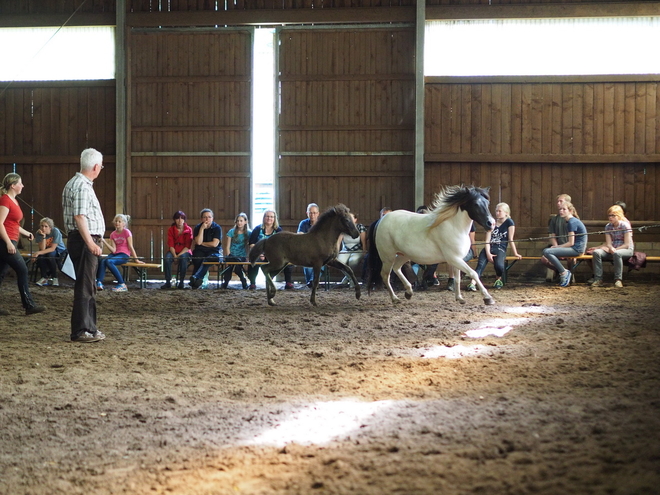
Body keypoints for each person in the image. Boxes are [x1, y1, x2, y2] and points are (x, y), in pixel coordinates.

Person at [62, 148, 105, 342]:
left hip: (82, 240)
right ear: (96, 167)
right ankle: (81, 330)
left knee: (88, 285)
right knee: (85, 286)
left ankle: (90, 327)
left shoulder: (76, 184)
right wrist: (90, 243)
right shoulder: (81, 186)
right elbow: (79, 217)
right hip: (84, 241)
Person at [0, 173, 45, 316]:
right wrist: (8, 243)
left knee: (0, 274)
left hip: (11, 239)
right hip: (6, 241)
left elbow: (13, 223)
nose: (23, 186)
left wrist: (26, 233)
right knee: (23, 270)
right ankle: (28, 305)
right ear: (13, 185)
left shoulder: (13, 201)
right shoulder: (5, 200)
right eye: (20, 183)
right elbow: (0, 223)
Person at [469, 202, 521, 290]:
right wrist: (488, 253)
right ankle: (472, 283)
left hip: (500, 248)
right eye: (496, 211)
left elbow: (510, 239)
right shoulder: (492, 222)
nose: (497, 213)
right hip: (489, 247)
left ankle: (498, 279)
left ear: (506, 213)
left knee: (499, 266)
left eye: (500, 211)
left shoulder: (509, 222)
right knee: (480, 265)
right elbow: (487, 240)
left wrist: (516, 253)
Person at [542, 201, 588, 288]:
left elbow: (571, 242)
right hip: (575, 248)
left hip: (577, 249)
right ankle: (563, 272)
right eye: (560, 209)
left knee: (547, 251)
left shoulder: (572, 222)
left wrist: (557, 247)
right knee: (548, 251)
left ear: (570, 211)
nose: (561, 211)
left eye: (564, 209)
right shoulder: (570, 221)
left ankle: (564, 272)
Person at [96, 214, 143, 292]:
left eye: (119, 221)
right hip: (115, 254)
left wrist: (136, 259)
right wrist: (104, 241)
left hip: (124, 254)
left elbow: (131, 246)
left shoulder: (127, 232)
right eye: (116, 221)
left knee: (109, 261)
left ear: (124, 223)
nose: (117, 223)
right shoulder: (112, 234)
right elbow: (113, 250)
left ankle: (122, 284)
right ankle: (99, 282)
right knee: (103, 260)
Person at [248, 209, 293, 290]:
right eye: (267, 216)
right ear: (264, 217)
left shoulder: (278, 230)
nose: (269, 218)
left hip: (275, 255)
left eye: (271, 217)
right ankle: (252, 283)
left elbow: (283, 245)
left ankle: (288, 282)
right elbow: (252, 244)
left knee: (287, 261)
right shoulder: (257, 229)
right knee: (254, 260)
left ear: (274, 218)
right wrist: (260, 254)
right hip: (260, 254)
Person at [590, 204, 633, 288]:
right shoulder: (608, 226)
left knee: (617, 254)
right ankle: (598, 279)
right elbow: (608, 242)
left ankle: (618, 280)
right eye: (609, 215)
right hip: (612, 248)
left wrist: (615, 249)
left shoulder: (625, 226)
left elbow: (627, 244)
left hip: (625, 249)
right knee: (596, 252)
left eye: (613, 215)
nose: (610, 217)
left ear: (619, 216)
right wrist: (610, 248)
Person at [542, 193, 577, 280]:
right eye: (557, 201)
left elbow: (575, 238)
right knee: (544, 259)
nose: (558, 203)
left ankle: (570, 275)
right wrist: (556, 249)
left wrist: (564, 250)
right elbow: (552, 236)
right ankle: (561, 271)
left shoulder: (573, 219)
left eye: (560, 201)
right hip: (558, 246)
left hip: (571, 247)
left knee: (571, 259)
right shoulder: (554, 219)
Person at [189, 208, 222, 289]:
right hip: (200, 250)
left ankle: (196, 278)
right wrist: (202, 229)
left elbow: (214, 244)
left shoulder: (217, 228)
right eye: (205, 217)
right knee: (197, 258)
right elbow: (198, 242)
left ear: (212, 218)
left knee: (209, 259)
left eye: (209, 217)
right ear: (201, 219)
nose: (207, 219)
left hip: (214, 251)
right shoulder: (198, 227)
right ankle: (196, 281)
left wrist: (202, 243)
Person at [161, 210, 193, 290]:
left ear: (184, 219)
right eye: (177, 218)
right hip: (173, 250)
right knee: (167, 259)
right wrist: (175, 255)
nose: (180, 220)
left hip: (185, 251)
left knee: (183, 258)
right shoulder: (171, 229)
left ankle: (181, 282)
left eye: (182, 218)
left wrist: (178, 256)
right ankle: (168, 282)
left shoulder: (188, 229)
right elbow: (171, 244)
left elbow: (188, 246)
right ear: (174, 220)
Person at [32, 217, 67, 287]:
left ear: (50, 227)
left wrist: (37, 253)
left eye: (46, 226)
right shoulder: (39, 233)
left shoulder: (55, 231)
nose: (43, 228)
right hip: (47, 250)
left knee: (50, 254)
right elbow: (42, 248)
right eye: (42, 226)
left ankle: (55, 277)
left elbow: (53, 248)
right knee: (41, 256)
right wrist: (44, 236)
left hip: (59, 251)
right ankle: (44, 278)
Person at [336, 212, 367, 287]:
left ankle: (347, 278)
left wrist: (364, 251)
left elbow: (364, 241)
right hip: (345, 251)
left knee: (352, 261)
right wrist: (336, 252)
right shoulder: (343, 228)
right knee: (339, 262)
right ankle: (351, 279)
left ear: (355, 219)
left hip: (357, 250)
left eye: (351, 218)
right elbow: (338, 242)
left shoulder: (360, 227)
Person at [221, 212, 251, 289]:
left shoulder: (249, 233)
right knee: (229, 268)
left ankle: (243, 281)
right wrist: (228, 256)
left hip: (242, 255)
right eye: (238, 221)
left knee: (238, 268)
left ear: (245, 222)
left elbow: (250, 246)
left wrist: (248, 256)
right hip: (232, 254)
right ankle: (226, 282)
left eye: (241, 221)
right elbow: (227, 246)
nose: (239, 223)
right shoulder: (231, 232)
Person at [446, 223, 476, 291]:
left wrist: (475, 253)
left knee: (457, 260)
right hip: (456, 249)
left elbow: (472, 240)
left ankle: (460, 272)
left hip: (467, 250)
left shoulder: (470, 224)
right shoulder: (453, 224)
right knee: (453, 258)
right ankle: (451, 280)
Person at [297, 203, 320, 287]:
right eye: (310, 212)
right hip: (306, 250)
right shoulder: (303, 223)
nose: (312, 215)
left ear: (318, 213)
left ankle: (312, 282)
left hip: (319, 251)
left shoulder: (322, 224)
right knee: (307, 266)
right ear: (307, 213)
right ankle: (310, 282)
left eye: (314, 213)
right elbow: (300, 236)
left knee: (320, 264)